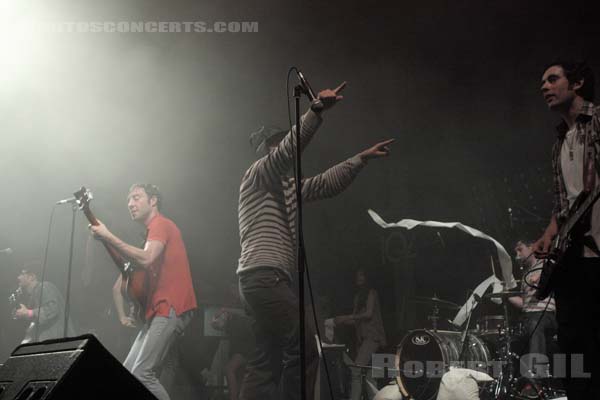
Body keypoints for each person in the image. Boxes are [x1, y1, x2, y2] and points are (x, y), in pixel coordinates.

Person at [237, 81, 394, 400]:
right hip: (263, 277)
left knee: (265, 363)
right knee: (306, 346)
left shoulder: (288, 187)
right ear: (268, 149)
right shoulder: (258, 175)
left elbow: (324, 184)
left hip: (264, 279)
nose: (286, 151)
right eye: (278, 145)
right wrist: (315, 112)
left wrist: (360, 159)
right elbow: (285, 154)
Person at [90, 183, 197, 400]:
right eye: (128, 200)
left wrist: (108, 235)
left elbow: (146, 258)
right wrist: (105, 239)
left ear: (153, 200)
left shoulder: (161, 224)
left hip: (170, 306)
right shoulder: (151, 233)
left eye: (137, 197)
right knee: (128, 374)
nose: (130, 204)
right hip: (156, 311)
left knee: (141, 373)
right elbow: (131, 270)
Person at [533, 60, 600, 399]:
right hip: (571, 258)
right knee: (572, 342)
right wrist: (548, 234)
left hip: (598, 251)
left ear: (578, 83)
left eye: (552, 79)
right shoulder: (559, 140)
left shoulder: (598, 121)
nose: (544, 86)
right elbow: (565, 205)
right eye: (542, 81)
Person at [335, 268, 387, 400]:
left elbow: (368, 314)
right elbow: (356, 321)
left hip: (372, 337)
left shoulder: (372, 293)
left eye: (361, 275)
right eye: (357, 275)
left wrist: (346, 316)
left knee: (356, 370)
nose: (358, 278)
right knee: (369, 374)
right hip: (363, 339)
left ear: (367, 278)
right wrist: (340, 321)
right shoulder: (358, 297)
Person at [508, 240, 557, 378]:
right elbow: (525, 303)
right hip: (529, 317)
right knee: (512, 340)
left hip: (546, 315)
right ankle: (516, 380)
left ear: (531, 247)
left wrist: (540, 277)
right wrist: (506, 295)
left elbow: (551, 276)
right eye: (516, 252)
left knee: (535, 324)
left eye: (520, 250)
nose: (517, 255)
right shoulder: (525, 275)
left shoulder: (545, 264)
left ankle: (537, 376)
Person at [13, 263, 76, 342]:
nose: (18, 277)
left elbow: (52, 308)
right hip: (50, 343)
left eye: (21, 274)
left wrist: (29, 313)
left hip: (60, 342)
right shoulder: (33, 296)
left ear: (31, 277)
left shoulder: (45, 286)